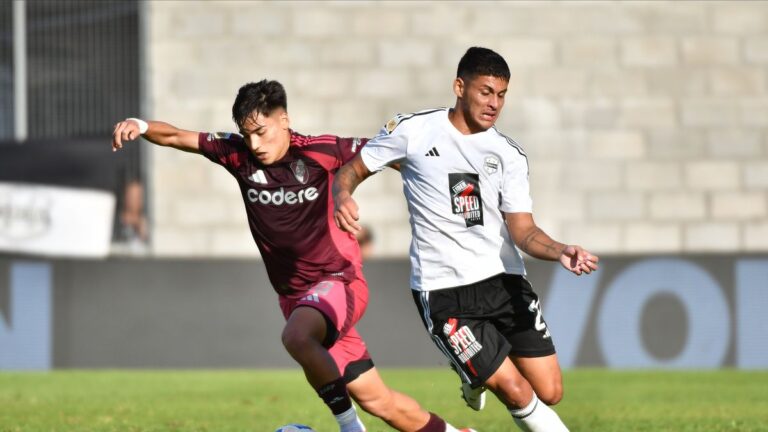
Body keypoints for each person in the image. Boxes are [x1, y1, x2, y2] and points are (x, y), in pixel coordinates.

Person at [111, 80, 474, 432]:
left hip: (339, 282)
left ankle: (350, 428)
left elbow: (390, 152)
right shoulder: (237, 154)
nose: (255, 143)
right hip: (297, 298)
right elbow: (176, 136)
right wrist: (140, 125)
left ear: (283, 120)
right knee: (380, 402)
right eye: (247, 133)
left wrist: (448, 181)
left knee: (296, 338)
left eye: (262, 131)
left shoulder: (320, 151)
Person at [332, 47, 600, 432]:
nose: (494, 104)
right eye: (486, 91)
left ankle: (471, 372)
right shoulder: (413, 131)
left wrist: (561, 251)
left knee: (550, 390)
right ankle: (479, 369)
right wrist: (343, 195)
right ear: (460, 86)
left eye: (502, 95)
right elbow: (352, 170)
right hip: (444, 291)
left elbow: (523, 230)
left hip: (503, 281)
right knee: (515, 389)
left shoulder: (508, 154)